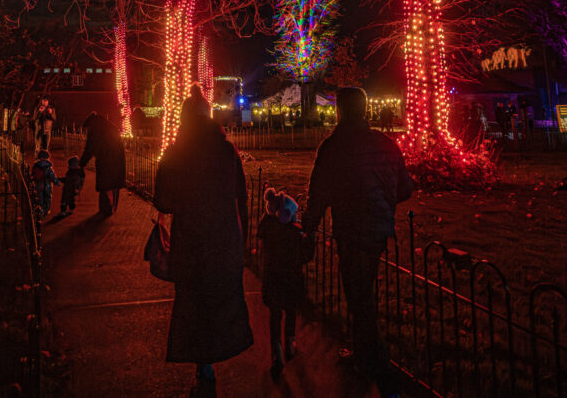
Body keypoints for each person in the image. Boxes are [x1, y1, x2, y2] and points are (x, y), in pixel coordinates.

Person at [302, 87, 413, 398]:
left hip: (352, 231)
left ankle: (380, 371)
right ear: (365, 110)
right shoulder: (385, 144)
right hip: (378, 228)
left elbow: (319, 193)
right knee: (362, 293)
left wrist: (309, 228)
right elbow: (405, 187)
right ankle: (364, 352)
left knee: (358, 296)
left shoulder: (334, 147)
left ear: (340, 111)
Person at [153, 93, 253, 396]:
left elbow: (162, 201)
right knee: (220, 300)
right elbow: (242, 198)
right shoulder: (226, 151)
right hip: (222, 239)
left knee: (193, 301)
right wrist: (243, 240)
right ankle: (215, 354)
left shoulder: (176, 152)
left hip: (191, 239)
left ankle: (203, 364)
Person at [258, 188, 308, 381]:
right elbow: (305, 256)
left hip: (272, 280)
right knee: (291, 312)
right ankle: (290, 342)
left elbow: (262, 230)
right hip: (291, 281)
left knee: (275, 315)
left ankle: (276, 352)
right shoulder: (294, 235)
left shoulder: (268, 229)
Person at [80, 112, 126, 216]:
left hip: (106, 161)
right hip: (117, 160)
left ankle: (107, 209)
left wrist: (81, 164)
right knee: (113, 186)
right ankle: (111, 208)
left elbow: (89, 149)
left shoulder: (96, 130)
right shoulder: (108, 125)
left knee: (106, 186)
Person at [30, 149, 60, 218]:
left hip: (39, 183)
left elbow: (33, 174)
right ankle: (46, 210)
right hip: (47, 184)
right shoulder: (48, 167)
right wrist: (56, 182)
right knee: (47, 197)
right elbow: (52, 176)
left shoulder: (36, 165)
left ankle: (41, 209)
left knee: (40, 197)